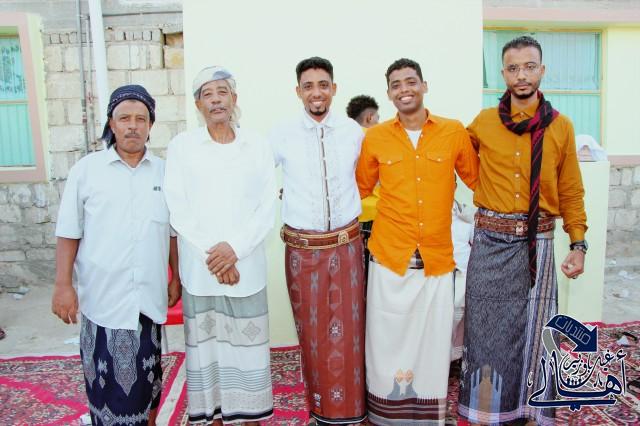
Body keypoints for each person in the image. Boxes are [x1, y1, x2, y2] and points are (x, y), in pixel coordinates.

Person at [457, 36, 588, 425]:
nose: (522, 75)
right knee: (485, 329)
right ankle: (487, 410)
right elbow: (457, 158)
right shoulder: (483, 123)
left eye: (529, 67)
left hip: (538, 243)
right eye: (513, 68)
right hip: (489, 242)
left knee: (536, 331)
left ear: (542, 70)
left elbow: (571, 190)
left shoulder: (561, 127)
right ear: (503, 74)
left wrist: (578, 244)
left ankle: (532, 410)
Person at [356, 58, 478, 425]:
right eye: (396, 84)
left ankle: (426, 415)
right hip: (389, 259)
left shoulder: (453, 132)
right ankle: (385, 415)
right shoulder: (375, 138)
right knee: (385, 339)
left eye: (411, 81)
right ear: (389, 93)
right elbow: (359, 189)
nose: (404, 89)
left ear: (424, 86)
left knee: (432, 343)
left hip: (436, 260)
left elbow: (478, 181)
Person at [52, 84, 181, 426]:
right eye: (124, 118)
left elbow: (172, 233)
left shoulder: (165, 172)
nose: (133, 126)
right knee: (105, 393)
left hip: (147, 303)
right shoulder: (87, 171)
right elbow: (68, 232)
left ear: (151, 125)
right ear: (111, 123)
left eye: (141, 118)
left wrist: (177, 277)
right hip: (103, 304)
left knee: (148, 387)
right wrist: (63, 285)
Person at [164, 66, 276, 425]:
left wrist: (235, 251)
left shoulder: (257, 145)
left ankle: (251, 416)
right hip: (202, 272)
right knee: (208, 359)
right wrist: (215, 258)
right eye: (207, 94)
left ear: (234, 99)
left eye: (222, 92)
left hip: (246, 268)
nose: (216, 100)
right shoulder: (182, 147)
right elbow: (177, 207)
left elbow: (267, 206)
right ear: (198, 104)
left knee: (250, 358)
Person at [270, 57, 367, 425]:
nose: (316, 92)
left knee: (350, 333)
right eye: (308, 86)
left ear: (334, 88)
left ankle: (352, 412)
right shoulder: (281, 134)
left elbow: (370, 178)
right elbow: (256, 178)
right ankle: (320, 410)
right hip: (303, 252)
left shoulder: (353, 132)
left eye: (323, 85)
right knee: (312, 334)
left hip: (346, 247)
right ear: (298, 91)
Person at [347, 95, 381, 286]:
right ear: (369, 117)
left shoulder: (344, 139)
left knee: (354, 278)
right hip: (375, 215)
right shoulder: (375, 139)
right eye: (377, 118)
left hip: (352, 218)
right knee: (374, 279)